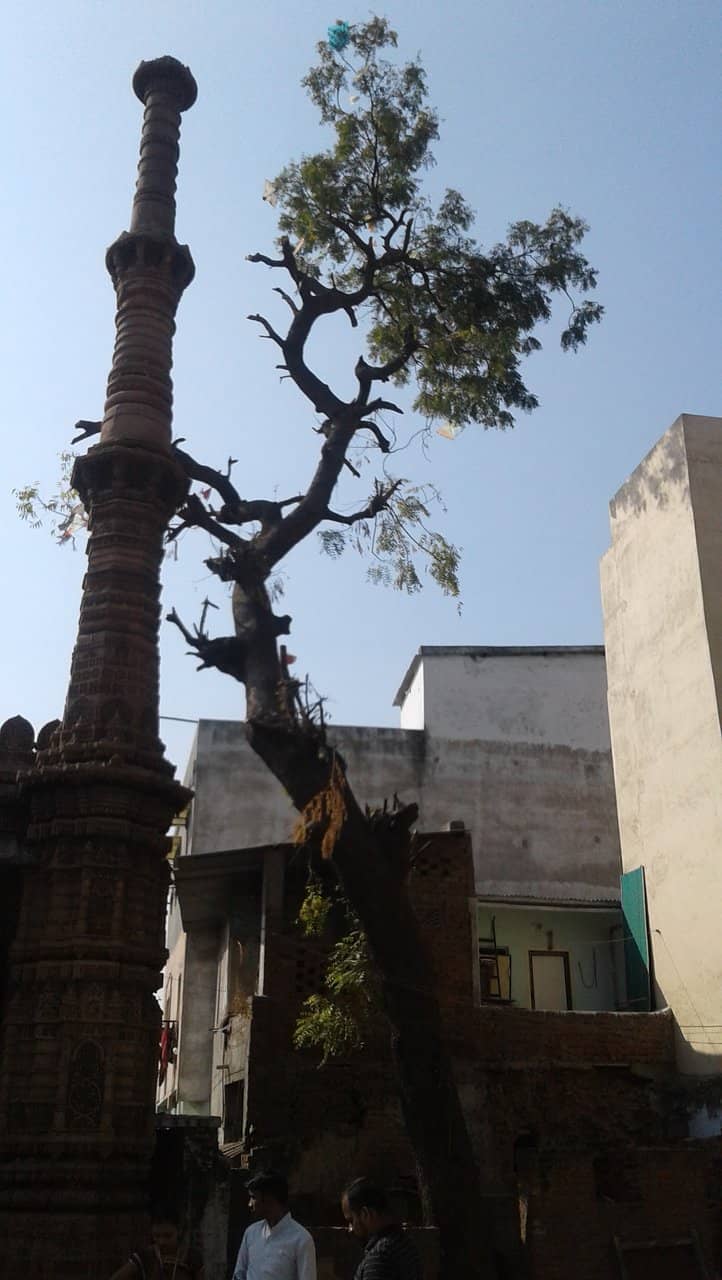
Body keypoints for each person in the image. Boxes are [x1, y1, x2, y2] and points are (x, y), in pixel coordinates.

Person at [233, 1170, 317, 1280]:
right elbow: (239, 1274)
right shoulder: (251, 1233)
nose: (249, 1204)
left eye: (253, 1197)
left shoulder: (301, 1240)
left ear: (269, 1199)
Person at [341, 1179, 422, 1280]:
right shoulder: (406, 1243)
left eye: (351, 1220)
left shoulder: (379, 1256)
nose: (350, 1229)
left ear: (365, 1214)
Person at [108, 1208, 204, 1280]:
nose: (162, 1242)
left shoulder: (192, 1256)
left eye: (168, 1236)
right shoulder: (145, 1256)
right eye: (157, 1236)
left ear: (178, 1231)